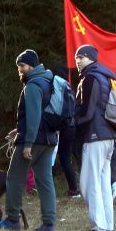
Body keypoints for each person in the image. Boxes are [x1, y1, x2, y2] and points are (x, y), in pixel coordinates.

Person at [0, 49, 58, 231]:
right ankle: (49, 224)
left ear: (31, 65)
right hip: (49, 139)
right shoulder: (48, 81)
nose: (20, 70)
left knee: (14, 178)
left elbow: (34, 116)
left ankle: (12, 220)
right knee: (45, 181)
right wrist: (20, 130)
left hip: (33, 140)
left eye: (22, 66)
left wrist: (27, 142)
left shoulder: (32, 86)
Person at [73, 45, 116, 231]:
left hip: (95, 137)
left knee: (88, 184)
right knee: (102, 185)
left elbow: (88, 111)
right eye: (77, 58)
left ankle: (99, 230)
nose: (77, 61)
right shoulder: (107, 77)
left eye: (80, 58)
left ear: (90, 59)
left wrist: (73, 124)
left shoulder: (91, 77)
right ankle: (107, 229)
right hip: (109, 136)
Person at [49, 65, 80, 198]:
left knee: (50, 156)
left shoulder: (54, 86)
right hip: (71, 125)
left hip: (58, 125)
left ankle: (49, 188)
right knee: (65, 158)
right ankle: (73, 190)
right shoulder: (68, 87)